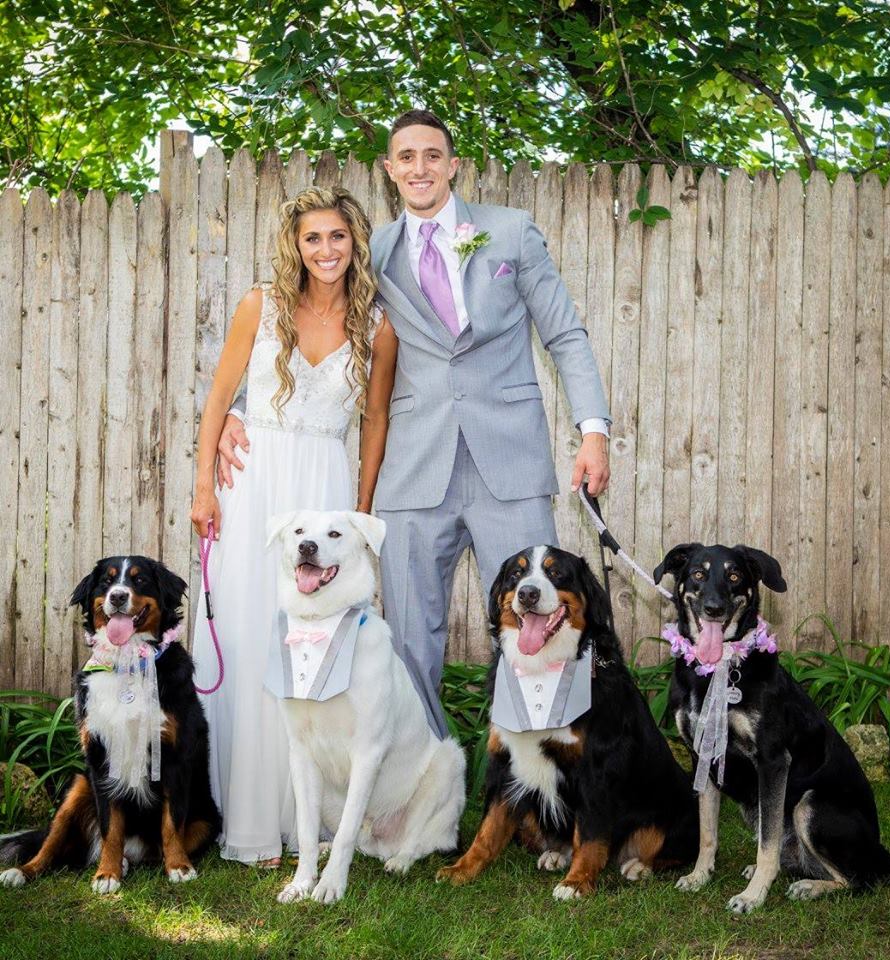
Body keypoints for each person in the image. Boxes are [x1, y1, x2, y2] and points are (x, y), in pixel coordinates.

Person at [218, 110, 609, 739]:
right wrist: (242, 410)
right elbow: (310, 325)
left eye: (433, 155)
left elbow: (564, 333)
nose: (419, 167)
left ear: (454, 165)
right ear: (390, 170)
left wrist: (594, 430)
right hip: (411, 470)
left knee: (544, 629)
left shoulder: (510, 234)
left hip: (508, 464)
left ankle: (553, 799)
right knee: (407, 642)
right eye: (406, 157)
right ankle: (427, 786)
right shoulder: (371, 253)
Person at [189, 187, 398, 864]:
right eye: (314, 238)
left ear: (355, 243)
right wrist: (203, 490)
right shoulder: (262, 304)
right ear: (296, 245)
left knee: (310, 649)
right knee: (251, 634)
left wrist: (359, 519)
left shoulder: (379, 327)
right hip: (255, 491)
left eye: (338, 237)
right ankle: (242, 816)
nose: (327, 250)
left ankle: (301, 816)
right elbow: (220, 397)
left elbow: (374, 425)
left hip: (324, 487)